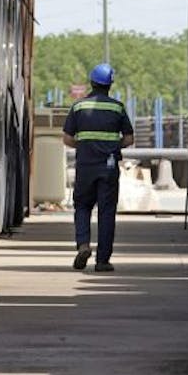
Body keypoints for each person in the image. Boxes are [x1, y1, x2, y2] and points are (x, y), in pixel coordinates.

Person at [62, 62, 135, 272]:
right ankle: (102, 261)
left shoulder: (78, 107)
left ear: (92, 83)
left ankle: (83, 244)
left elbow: (67, 138)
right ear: (109, 85)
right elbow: (129, 139)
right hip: (109, 167)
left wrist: (84, 147)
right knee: (107, 212)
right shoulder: (117, 107)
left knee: (82, 206)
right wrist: (112, 146)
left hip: (85, 166)